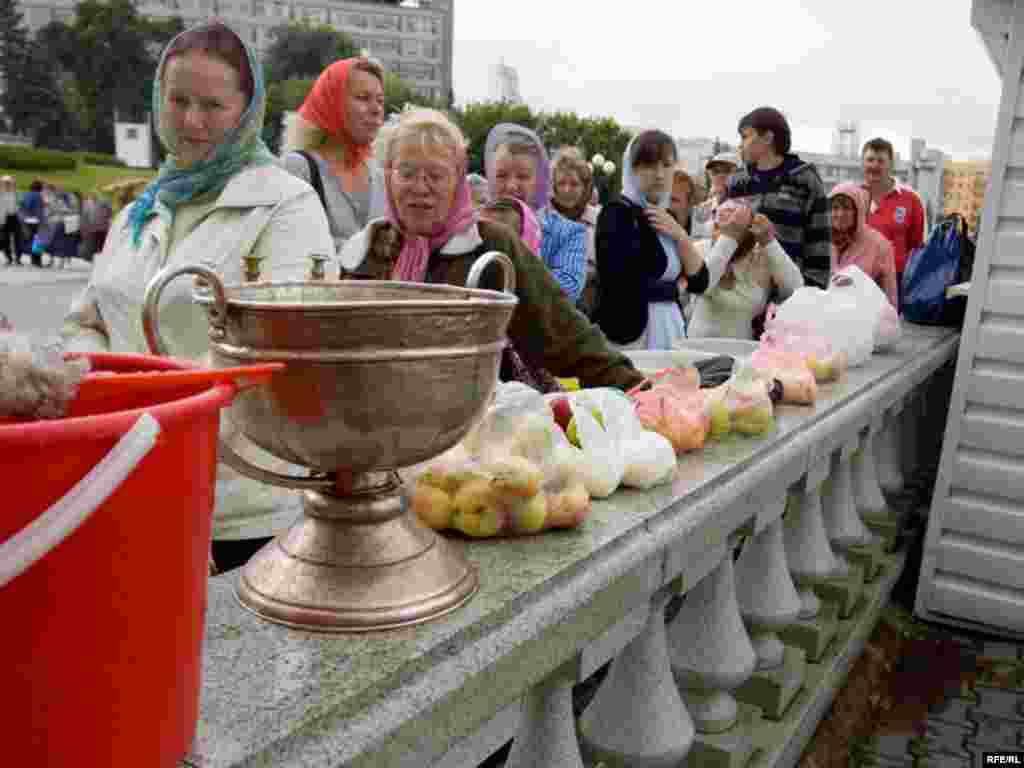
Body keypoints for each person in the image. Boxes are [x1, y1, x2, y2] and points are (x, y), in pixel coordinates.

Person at [60, 21, 334, 574]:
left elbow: (282, 353)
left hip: (241, 512)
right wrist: (98, 393)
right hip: (124, 483)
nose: (191, 121)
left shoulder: (285, 206)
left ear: (246, 109)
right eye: (178, 99)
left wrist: (156, 425)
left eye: (212, 104)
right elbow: (87, 319)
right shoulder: (142, 208)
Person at [338, 107, 644, 392]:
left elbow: (564, 334)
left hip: (477, 428)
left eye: (435, 175)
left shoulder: (490, 245)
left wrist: (639, 392)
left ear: (458, 182)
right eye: (407, 173)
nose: (420, 187)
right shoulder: (368, 250)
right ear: (389, 176)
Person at [593, 130, 711, 350]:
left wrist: (680, 236)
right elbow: (621, 285)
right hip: (633, 337)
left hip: (671, 329)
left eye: (666, 165)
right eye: (649, 165)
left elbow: (700, 282)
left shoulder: (669, 218)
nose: (659, 174)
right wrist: (674, 289)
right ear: (631, 169)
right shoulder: (617, 214)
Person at [280, 56, 387, 255]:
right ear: (331, 102)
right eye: (363, 98)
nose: (376, 109)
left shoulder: (381, 173)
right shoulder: (298, 168)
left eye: (380, 100)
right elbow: (290, 245)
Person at [724, 107, 831, 289]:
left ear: (767, 138)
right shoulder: (737, 181)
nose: (740, 145)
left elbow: (819, 241)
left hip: (788, 293)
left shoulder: (805, 179)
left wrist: (812, 292)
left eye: (745, 137)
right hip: (741, 293)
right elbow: (724, 237)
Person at [484, 124, 587, 303]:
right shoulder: (474, 225)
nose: (511, 186)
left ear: (540, 180)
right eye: (501, 175)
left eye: (523, 176)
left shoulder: (568, 233)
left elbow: (564, 293)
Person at [687, 201, 804, 339]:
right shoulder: (701, 249)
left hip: (741, 352)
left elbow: (796, 289)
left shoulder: (760, 257)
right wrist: (730, 238)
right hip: (698, 348)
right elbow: (702, 285)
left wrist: (770, 242)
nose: (733, 219)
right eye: (725, 214)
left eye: (739, 216)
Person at [861, 137, 925, 308]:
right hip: (858, 277)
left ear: (891, 164)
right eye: (870, 160)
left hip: (894, 280)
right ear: (863, 163)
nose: (874, 165)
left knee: (886, 331)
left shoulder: (911, 199)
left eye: (880, 160)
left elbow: (915, 244)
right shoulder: (853, 195)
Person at [550, 146, 600, 316]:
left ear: (585, 186)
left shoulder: (598, 220)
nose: (567, 190)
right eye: (561, 183)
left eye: (574, 184)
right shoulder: (543, 218)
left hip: (591, 313)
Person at [830, 182, 898, 308]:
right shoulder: (820, 240)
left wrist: (858, 284)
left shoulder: (879, 245)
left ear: (858, 211)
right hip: (825, 320)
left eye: (846, 208)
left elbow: (890, 298)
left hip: (863, 321)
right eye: (835, 208)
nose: (840, 214)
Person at [19, 180, 45, 267]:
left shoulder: (25, 194)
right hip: (35, 221)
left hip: (26, 220)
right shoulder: (38, 196)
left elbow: (21, 207)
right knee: (37, 241)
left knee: (29, 239)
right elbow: (39, 210)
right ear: (39, 188)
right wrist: (42, 220)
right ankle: (37, 261)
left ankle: (30, 259)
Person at [0, 176, 21, 265]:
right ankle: (8, 258)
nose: (7, 185)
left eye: (9, 183)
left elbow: (19, 204)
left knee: (18, 238)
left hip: (15, 216)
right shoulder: (1, 194)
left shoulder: (15, 193)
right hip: (4, 218)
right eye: (6, 183)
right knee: (5, 239)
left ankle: (17, 258)